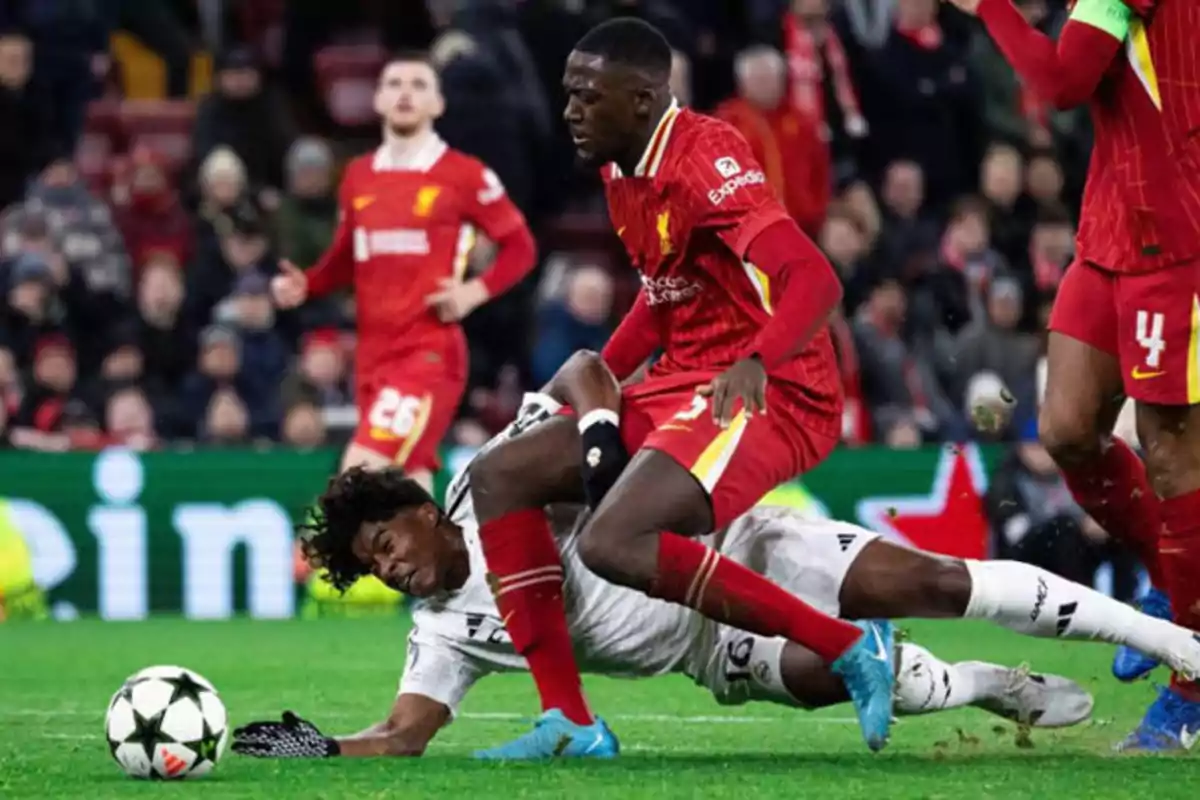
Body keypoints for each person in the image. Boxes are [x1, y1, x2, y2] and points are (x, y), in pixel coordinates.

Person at [230, 353, 1200, 760]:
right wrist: (314, 742)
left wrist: (604, 432)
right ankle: (989, 681)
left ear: (414, 505)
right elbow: (403, 734)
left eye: (386, 539)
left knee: (935, 581)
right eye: (373, 565)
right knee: (863, 681)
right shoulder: (443, 628)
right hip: (705, 650)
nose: (391, 565)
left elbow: (584, 370)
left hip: (738, 545)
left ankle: (1176, 640)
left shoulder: (499, 472)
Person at [466, 18, 891, 759]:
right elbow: (661, 300)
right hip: (685, 377)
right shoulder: (620, 168)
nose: (568, 109)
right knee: (499, 474)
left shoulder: (704, 158)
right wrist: (592, 380)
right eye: (567, 93)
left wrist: (757, 359)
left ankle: (847, 645)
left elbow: (814, 279)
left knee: (613, 541)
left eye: (584, 96)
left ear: (641, 99)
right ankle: (568, 720)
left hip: (772, 386)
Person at [949, 0, 1200, 750]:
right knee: (1065, 428)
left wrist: (992, 8)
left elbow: (1062, 81)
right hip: (1109, 230)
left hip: (1175, 237)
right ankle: (1174, 589)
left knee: (1171, 453)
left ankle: (1192, 681)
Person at [270, 52, 537, 489]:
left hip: (427, 352)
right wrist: (309, 284)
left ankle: (325, 561)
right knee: (407, 481)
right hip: (372, 356)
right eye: (394, 84)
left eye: (418, 85)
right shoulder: (358, 176)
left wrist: (471, 293)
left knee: (360, 472)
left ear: (438, 104)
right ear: (377, 100)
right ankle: (441, 559)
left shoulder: (463, 175)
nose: (405, 94)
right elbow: (348, 257)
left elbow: (520, 248)